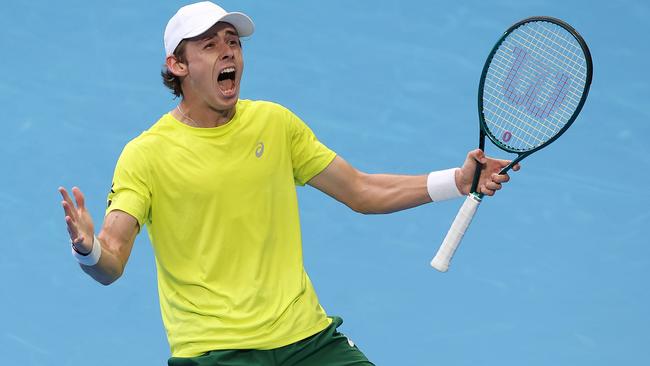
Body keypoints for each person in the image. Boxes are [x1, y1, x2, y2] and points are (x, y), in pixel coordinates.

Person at [58, 2, 519, 365]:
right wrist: (87, 250)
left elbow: (360, 190)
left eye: (233, 42)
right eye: (209, 45)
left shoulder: (275, 124)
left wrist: (458, 181)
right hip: (215, 352)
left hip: (306, 341)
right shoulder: (147, 154)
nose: (228, 52)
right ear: (177, 66)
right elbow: (112, 260)